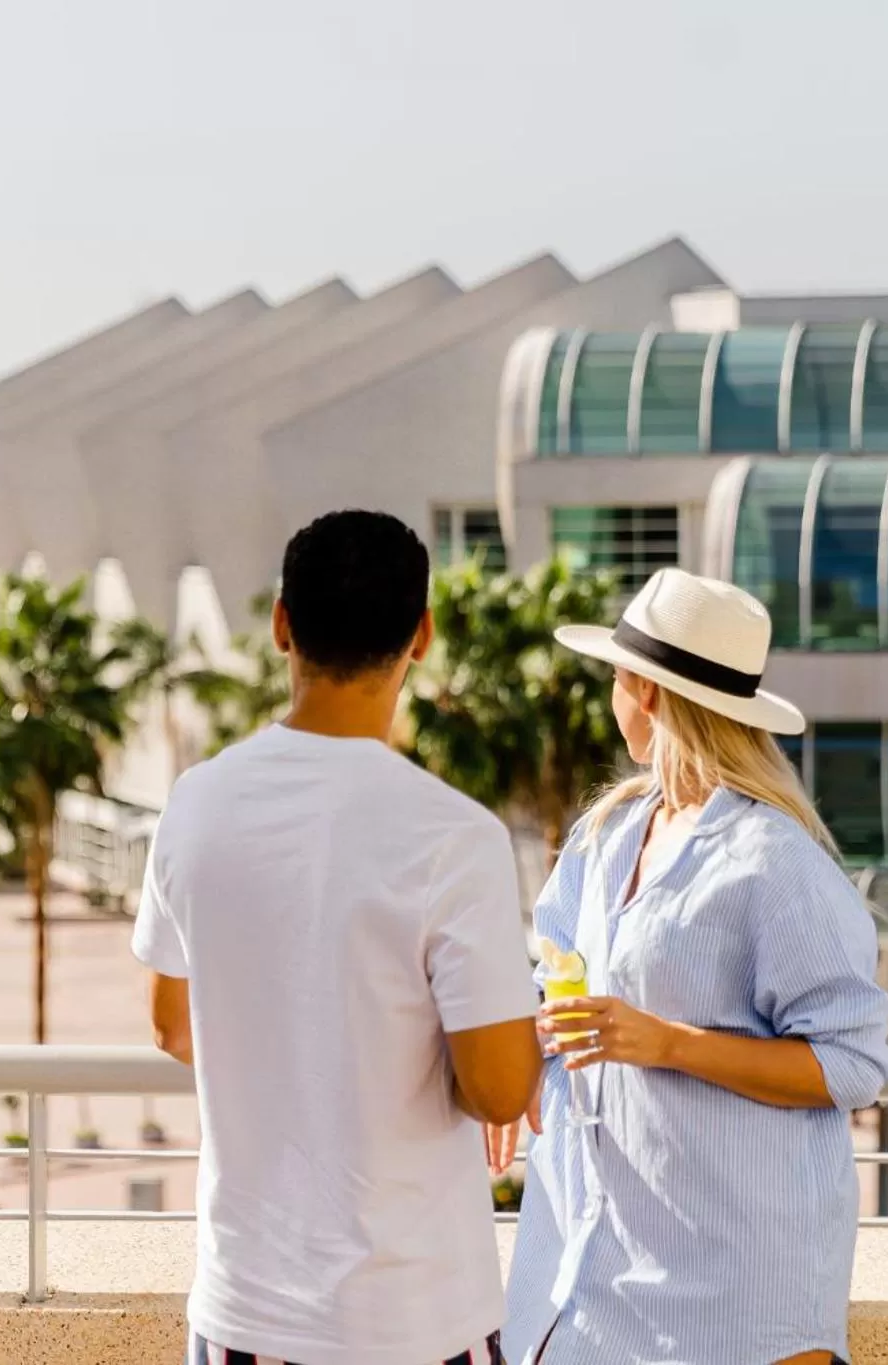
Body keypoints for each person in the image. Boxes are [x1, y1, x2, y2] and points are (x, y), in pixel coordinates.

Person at [133, 509, 543, 1365]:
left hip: (244, 1310)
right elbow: (501, 1089)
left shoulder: (196, 802)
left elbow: (172, 1024)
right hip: (412, 1317)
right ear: (422, 635)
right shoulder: (455, 836)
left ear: (281, 623)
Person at [492, 568, 888, 1365]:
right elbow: (551, 975)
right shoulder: (605, 837)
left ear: (644, 690)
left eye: (616, 676)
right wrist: (518, 1060)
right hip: (591, 1288)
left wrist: (668, 1042)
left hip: (734, 1300)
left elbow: (851, 1063)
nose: (611, 694)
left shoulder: (775, 862)